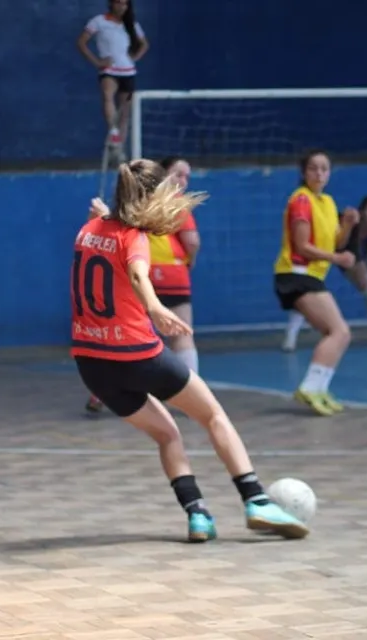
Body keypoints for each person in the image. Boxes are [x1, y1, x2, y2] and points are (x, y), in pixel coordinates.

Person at [72, 159, 308, 542]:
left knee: (168, 435)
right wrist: (154, 305)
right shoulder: (135, 238)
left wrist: (104, 215)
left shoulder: (87, 230)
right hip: (136, 355)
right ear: (150, 198)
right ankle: (256, 500)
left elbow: (109, 234)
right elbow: (136, 272)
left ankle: (197, 514)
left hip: (92, 366)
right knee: (213, 414)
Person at [85, 155, 199, 415]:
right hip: (167, 273)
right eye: (177, 174)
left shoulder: (119, 216)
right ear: (161, 177)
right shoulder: (175, 205)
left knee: (125, 336)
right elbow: (192, 241)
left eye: (186, 176)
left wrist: (101, 218)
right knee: (182, 337)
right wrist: (189, 261)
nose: (182, 181)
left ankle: (101, 392)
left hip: (134, 275)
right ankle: (189, 395)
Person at [273, 150, 359, 416]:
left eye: (324, 169)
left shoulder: (328, 202)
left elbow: (335, 241)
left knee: (336, 334)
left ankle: (319, 388)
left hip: (311, 276)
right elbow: (302, 245)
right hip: (296, 275)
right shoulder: (301, 200)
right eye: (313, 168)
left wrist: (347, 226)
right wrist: (337, 258)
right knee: (339, 331)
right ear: (304, 172)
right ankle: (310, 387)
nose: (319, 174)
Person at [282, 194, 367, 351]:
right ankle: (290, 338)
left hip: (347, 256)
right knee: (307, 290)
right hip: (323, 248)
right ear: (361, 212)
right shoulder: (346, 221)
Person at [77, 0, 149, 161]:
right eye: (118, 3)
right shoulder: (99, 21)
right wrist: (97, 61)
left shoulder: (131, 24)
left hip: (128, 71)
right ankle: (113, 131)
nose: (121, 7)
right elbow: (81, 42)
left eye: (124, 4)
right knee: (107, 96)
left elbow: (144, 44)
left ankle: (118, 149)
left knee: (124, 111)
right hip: (109, 69)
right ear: (111, 4)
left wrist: (134, 57)